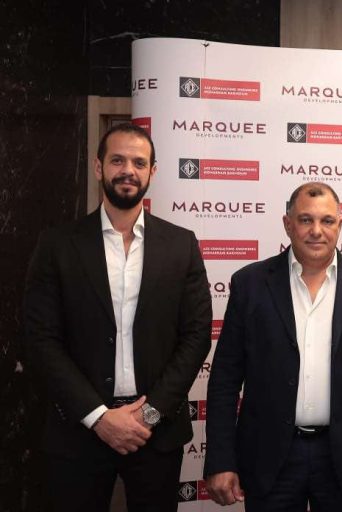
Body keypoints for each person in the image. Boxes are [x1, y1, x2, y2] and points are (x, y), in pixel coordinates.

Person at [23, 123, 213, 511]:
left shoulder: (181, 245)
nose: (128, 170)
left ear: (152, 172)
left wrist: (149, 413)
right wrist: (98, 417)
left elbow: (195, 336)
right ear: (98, 167)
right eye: (118, 160)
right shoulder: (57, 244)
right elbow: (40, 338)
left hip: (155, 432)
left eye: (139, 163)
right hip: (78, 430)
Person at [204, 182, 342, 511]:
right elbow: (225, 380)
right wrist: (220, 459)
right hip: (269, 458)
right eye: (305, 220)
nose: (316, 231)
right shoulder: (250, 284)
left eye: (327, 221)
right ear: (288, 224)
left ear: (340, 225)